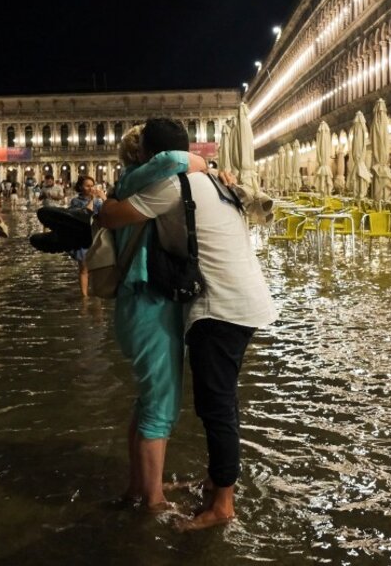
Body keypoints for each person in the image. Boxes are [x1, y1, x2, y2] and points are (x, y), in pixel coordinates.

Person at [97, 117, 278, 531]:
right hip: (242, 301)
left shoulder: (171, 184)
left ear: (154, 158)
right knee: (215, 402)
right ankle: (196, 485)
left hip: (220, 306)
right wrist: (203, 163)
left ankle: (222, 505)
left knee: (216, 407)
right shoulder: (214, 181)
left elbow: (111, 215)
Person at [102, 125, 208, 512]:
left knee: (147, 401)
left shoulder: (129, 185)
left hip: (136, 305)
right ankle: (154, 501)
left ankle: (139, 486)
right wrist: (205, 164)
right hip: (149, 303)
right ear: (145, 155)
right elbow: (176, 159)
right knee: (162, 405)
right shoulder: (138, 177)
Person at [67, 176, 105, 296]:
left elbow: (109, 213)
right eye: (87, 186)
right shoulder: (75, 201)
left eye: (92, 185)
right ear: (80, 187)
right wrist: (92, 200)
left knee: (96, 268)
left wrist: (104, 198)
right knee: (84, 268)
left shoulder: (99, 202)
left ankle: (96, 294)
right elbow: (85, 214)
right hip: (82, 236)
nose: (90, 188)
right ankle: (84, 296)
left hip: (96, 236)